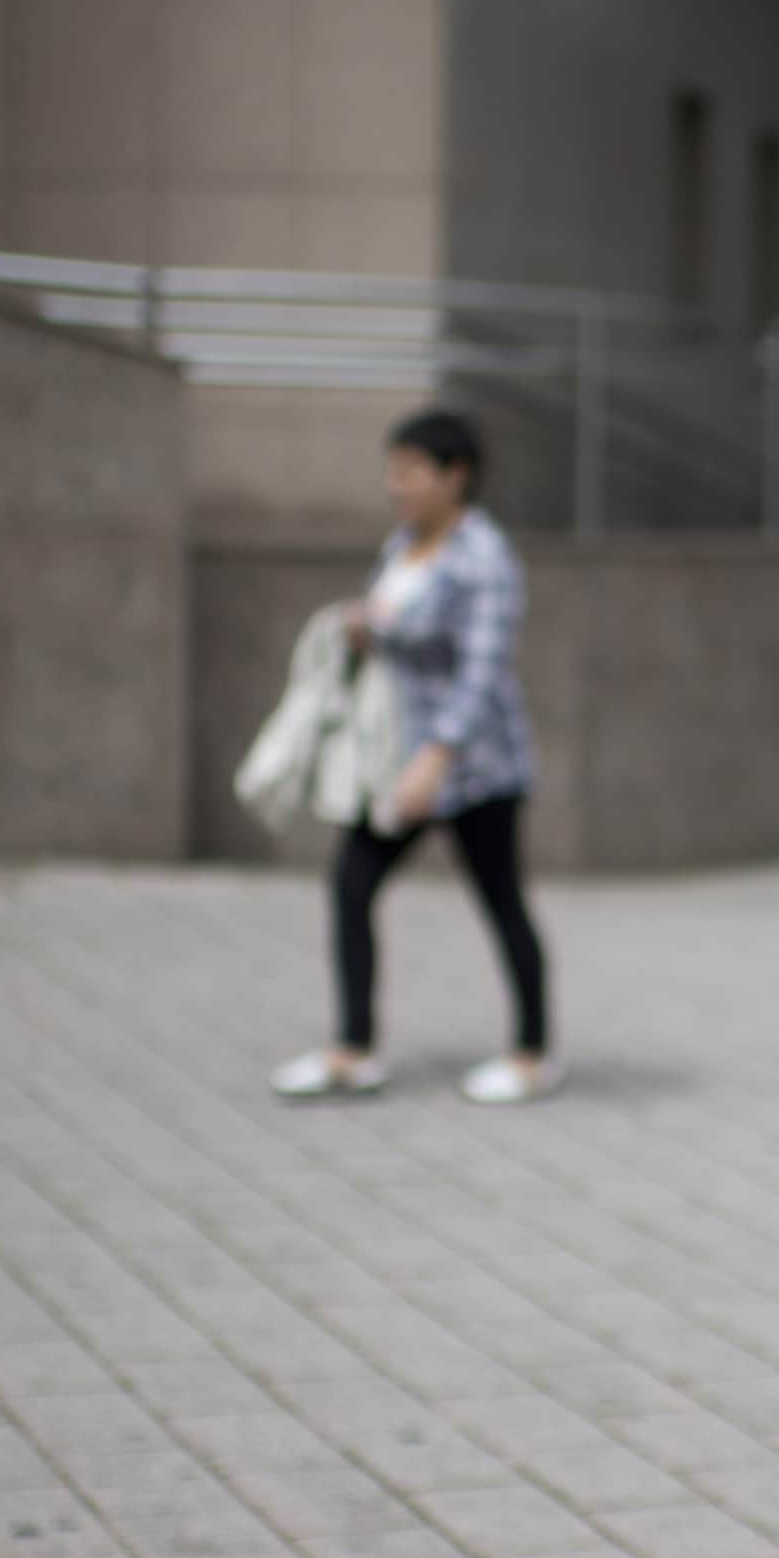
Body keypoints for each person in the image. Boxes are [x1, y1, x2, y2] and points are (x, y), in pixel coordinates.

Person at [268, 410, 557, 1106]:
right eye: (392, 470)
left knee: (501, 901)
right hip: (399, 758)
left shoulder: (484, 558)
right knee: (352, 884)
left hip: (477, 768)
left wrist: (438, 758)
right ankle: (353, 1048)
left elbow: (481, 671)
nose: (395, 485)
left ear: (455, 476)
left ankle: (531, 1055)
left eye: (409, 471)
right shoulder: (404, 544)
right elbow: (396, 633)